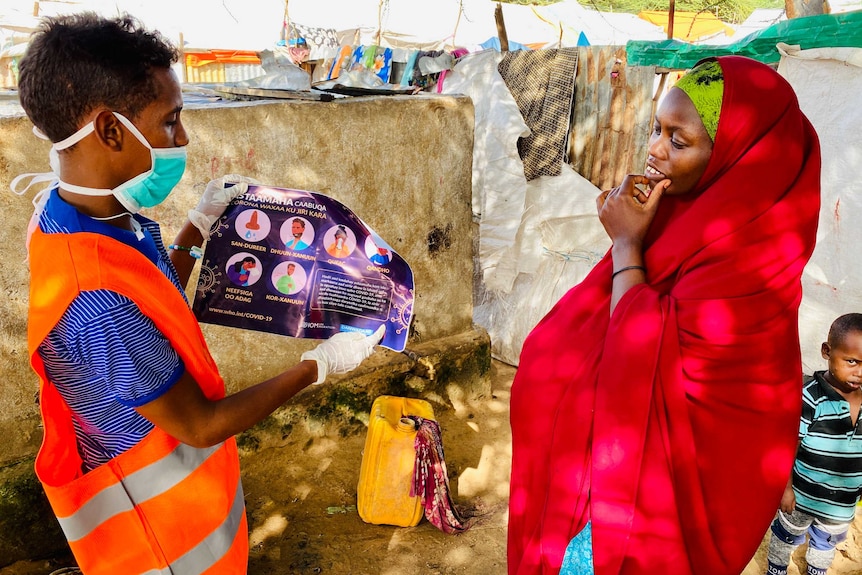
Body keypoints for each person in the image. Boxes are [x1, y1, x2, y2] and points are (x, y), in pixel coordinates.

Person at [13, 12, 384, 575]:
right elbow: (201, 424)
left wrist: (199, 225)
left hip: (192, 503)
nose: (182, 138)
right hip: (162, 540)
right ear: (111, 130)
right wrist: (322, 363)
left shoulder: (88, 216)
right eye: (171, 120)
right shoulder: (91, 295)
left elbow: (157, 297)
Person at [507, 56, 821, 575]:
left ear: (738, 157)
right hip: (585, 492)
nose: (653, 149)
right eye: (657, 128)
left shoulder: (749, 265)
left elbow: (646, 361)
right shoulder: (678, 218)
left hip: (633, 517)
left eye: (679, 140)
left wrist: (628, 240)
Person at [764, 313, 862, 575]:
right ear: (826, 352)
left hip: (841, 504)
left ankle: (815, 570)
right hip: (801, 496)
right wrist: (785, 489)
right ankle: (776, 569)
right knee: (785, 538)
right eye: (851, 361)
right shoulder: (811, 398)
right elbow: (789, 444)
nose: (860, 372)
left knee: (825, 544)